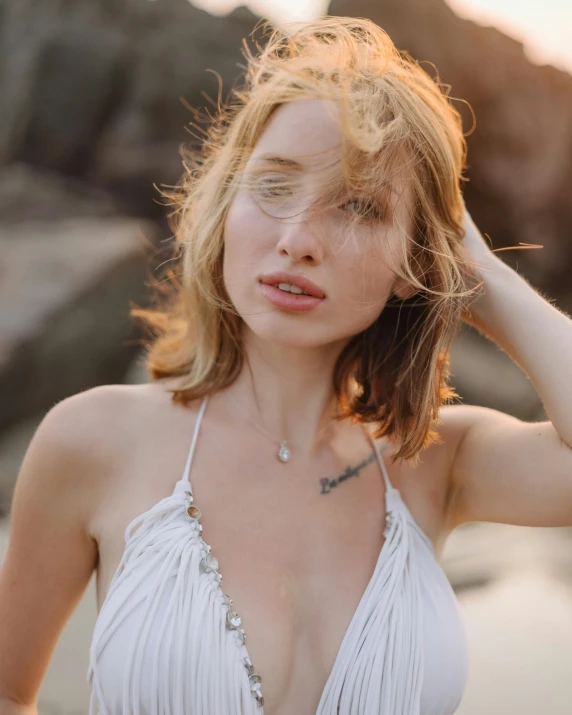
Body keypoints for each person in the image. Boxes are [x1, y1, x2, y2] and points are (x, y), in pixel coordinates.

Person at [1, 15, 572, 715]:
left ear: (414, 264)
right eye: (274, 186)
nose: (299, 239)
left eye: (359, 208)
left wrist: (486, 279)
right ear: (226, 206)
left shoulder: (437, 460)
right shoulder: (90, 442)